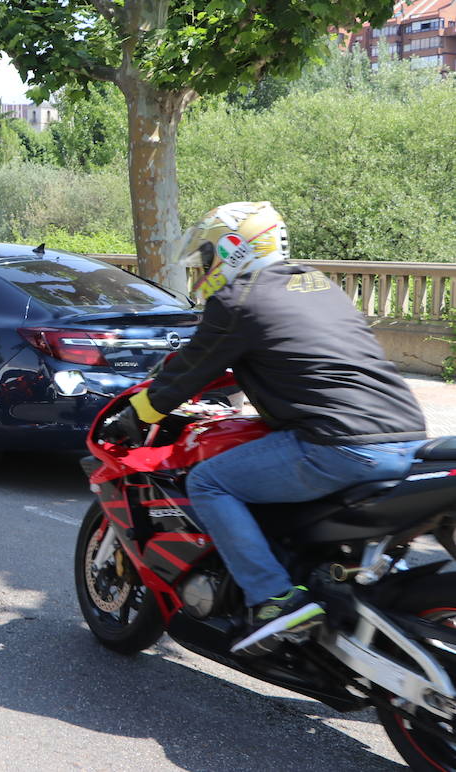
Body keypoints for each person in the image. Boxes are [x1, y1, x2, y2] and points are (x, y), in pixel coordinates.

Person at [120, 201, 427, 656]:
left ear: (234, 250)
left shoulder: (238, 299)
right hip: (406, 436)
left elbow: (188, 371)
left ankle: (274, 598)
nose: (204, 270)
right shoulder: (318, 285)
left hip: (339, 444)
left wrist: (137, 413)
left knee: (210, 482)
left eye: (207, 258)